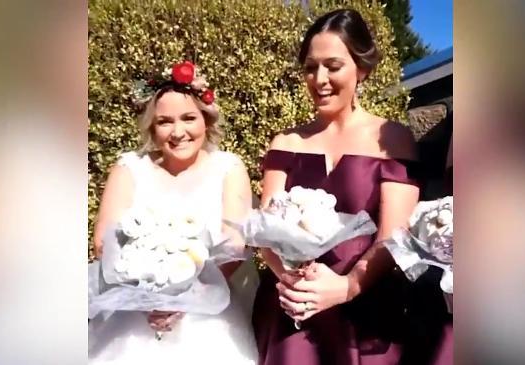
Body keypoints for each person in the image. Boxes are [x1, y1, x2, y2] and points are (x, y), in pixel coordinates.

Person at [252, 9, 420, 365]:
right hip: (291, 311)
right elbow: (266, 233)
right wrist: (295, 284)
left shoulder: (392, 138)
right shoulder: (287, 142)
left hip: (366, 310)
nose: (320, 78)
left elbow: (395, 235)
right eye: (311, 67)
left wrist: (347, 287)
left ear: (361, 69)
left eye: (333, 65)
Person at [89, 61, 258, 364]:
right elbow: (104, 242)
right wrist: (147, 299)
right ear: (152, 126)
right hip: (133, 317)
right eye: (165, 121)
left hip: (208, 318)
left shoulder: (228, 168)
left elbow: (235, 245)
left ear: (206, 120)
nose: (178, 132)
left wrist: (182, 298)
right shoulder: (130, 168)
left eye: (189, 118)